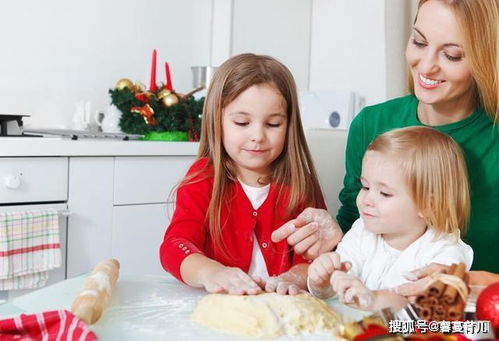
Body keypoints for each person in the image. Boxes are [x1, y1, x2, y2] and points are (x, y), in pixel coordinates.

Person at [272, 0, 499, 275]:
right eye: (418, 42)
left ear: (486, 58)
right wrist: (332, 239)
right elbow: (357, 226)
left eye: (451, 55)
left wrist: (466, 283)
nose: (426, 66)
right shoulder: (372, 124)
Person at [159, 53, 326, 295]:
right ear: (217, 121)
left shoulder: (301, 183)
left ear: (289, 125)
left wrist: (295, 278)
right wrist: (211, 273)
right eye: (241, 123)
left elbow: (315, 259)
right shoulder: (204, 177)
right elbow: (175, 246)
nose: (257, 136)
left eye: (273, 124)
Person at [307, 126, 473, 311]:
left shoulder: (444, 252)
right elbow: (338, 285)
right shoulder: (362, 231)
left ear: (428, 205)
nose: (366, 200)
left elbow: (422, 309)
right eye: (365, 187)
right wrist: (323, 281)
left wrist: (374, 299)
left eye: (385, 193)